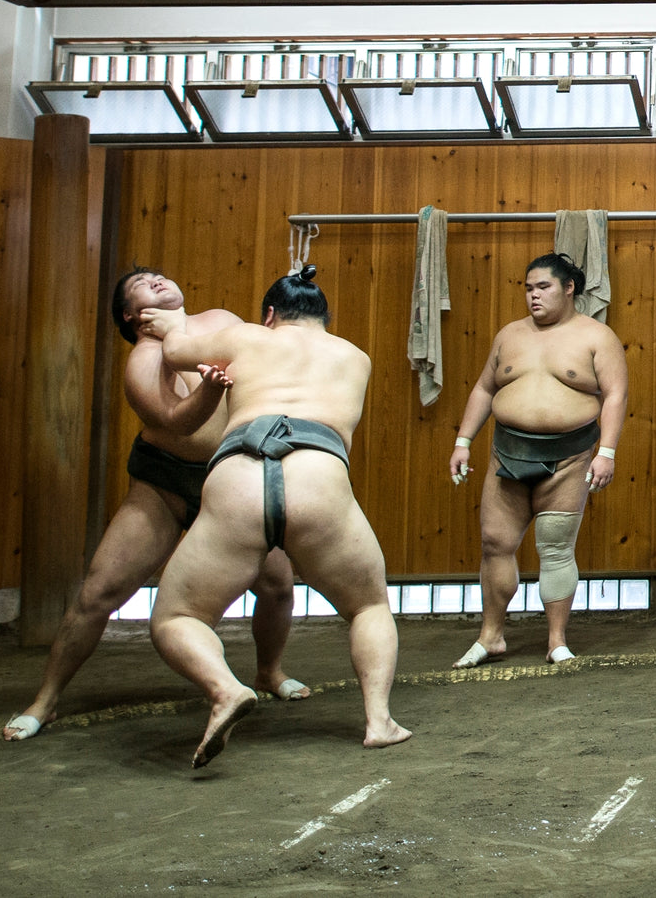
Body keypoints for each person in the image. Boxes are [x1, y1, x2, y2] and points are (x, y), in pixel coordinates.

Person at [4, 267, 307, 741]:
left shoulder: (220, 319)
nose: (158, 280)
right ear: (130, 314)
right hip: (163, 484)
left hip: (231, 478)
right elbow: (178, 423)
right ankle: (45, 700)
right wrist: (209, 389)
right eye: (143, 283)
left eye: (160, 275)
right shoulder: (143, 361)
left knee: (279, 586)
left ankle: (269, 671)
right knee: (97, 593)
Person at [139, 265, 410, 769]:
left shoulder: (246, 338)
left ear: (269, 316)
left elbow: (176, 353)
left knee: (176, 617)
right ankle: (379, 721)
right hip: (318, 474)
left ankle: (224, 689)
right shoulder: (356, 357)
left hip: (238, 473)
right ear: (324, 318)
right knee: (369, 606)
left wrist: (170, 323)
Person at [447, 252, 628, 669]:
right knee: (495, 544)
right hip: (507, 455)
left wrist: (607, 452)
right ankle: (490, 637)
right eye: (528, 288)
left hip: (569, 459)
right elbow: (483, 390)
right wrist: (463, 441)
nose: (533, 296)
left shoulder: (596, 337)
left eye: (543, 287)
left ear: (569, 289)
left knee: (556, 548)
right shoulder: (509, 335)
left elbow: (615, 395)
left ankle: (556, 641)